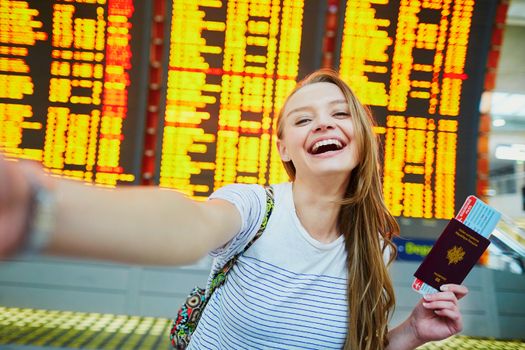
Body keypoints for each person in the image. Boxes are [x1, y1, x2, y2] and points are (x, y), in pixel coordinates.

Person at [0, 69, 467, 350]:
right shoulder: (254, 207)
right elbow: (187, 224)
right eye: (303, 119)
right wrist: (39, 207)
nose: (323, 122)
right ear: (284, 149)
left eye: (340, 113)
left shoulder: (375, 247)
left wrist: (411, 333)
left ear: (363, 139)